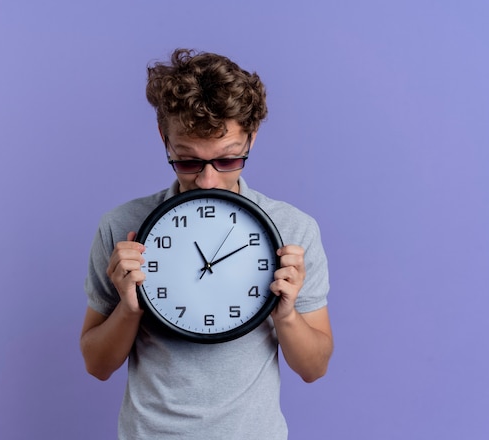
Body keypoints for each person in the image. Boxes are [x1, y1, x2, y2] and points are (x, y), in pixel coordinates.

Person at [80, 48, 333, 440]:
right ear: (164, 139)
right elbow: (97, 365)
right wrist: (129, 308)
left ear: (251, 137)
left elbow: (314, 368)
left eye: (228, 160)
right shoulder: (121, 227)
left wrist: (285, 315)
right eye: (188, 161)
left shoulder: (293, 228)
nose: (208, 181)